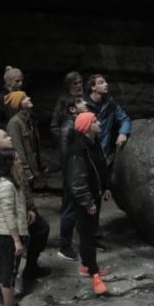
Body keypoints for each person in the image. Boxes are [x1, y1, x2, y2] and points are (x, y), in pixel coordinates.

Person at [0, 128, 51, 291]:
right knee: (6, 258)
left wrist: (30, 208)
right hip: (5, 222)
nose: (10, 138)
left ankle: (31, 268)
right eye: (5, 137)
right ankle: (3, 290)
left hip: (22, 212)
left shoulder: (10, 159)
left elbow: (23, 185)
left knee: (42, 229)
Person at [64, 111, 110, 295]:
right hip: (84, 199)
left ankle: (87, 265)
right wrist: (87, 202)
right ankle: (92, 272)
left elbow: (101, 166)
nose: (99, 122)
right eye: (95, 121)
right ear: (86, 127)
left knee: (91, 231)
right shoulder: (78, 150)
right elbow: (77, 182)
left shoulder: (93, 142)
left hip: (94, 195)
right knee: (87, 236)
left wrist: (105, 187)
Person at [0, 142, 30, 306]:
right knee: (9, 272)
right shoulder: (6, 185)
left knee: (5, 269)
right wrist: (17, 241)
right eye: (17, 158)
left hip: (0, 233)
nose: (20, 161)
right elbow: (8, 215)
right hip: (6, 235)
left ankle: (11, 303)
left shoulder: (1, 180)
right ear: (9, 162)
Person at [56, 96, 88, 260]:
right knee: (69, 210)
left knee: (75, 209)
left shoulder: (76, 124)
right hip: (71, 175)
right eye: (81, 102)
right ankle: (65, 246)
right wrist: (71, 177)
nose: (86, 104)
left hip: (74, 173)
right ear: (72, 109)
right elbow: (65, 154)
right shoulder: (69, 127)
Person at [83, 74, 132, 167]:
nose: (106, 84)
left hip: (104, 152)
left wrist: (123, 133)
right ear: (93, 87)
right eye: (101, 83)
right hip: (87, 153)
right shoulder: (83, 105)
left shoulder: (110, 104)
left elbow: (125, 119)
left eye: (105, 82)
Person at [5, 91, 46, 191]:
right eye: (24, 98)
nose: (29, 98)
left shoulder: (30, 119)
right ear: (19, 104)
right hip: (23, 171)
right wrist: (27, 171)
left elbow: (35, 146)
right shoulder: (14, 123)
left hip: (33, 167)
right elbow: (18, 149)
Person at [49, 71, 84, 152]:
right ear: (69, 86)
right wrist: (65, 139)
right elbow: (54, 126)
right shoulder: (63, 101)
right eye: (75, 83)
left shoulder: (86, 98)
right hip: (69, 143)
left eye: (80, 82)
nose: (79, 85)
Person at [0, 65, 23, 130]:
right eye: (17, 81)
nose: (20, 83)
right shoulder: (1, 99)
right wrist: (10, 128)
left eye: (21, 81)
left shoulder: (21, 96)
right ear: (9, 82)